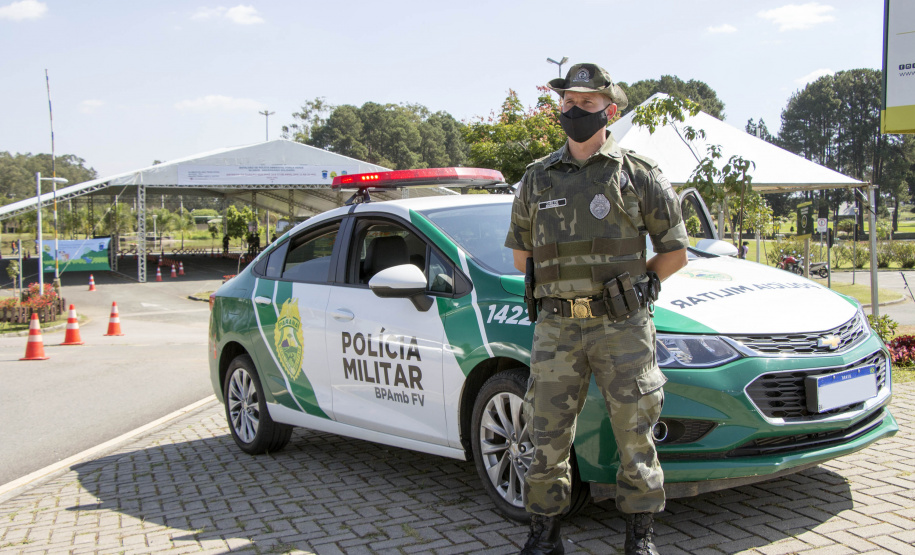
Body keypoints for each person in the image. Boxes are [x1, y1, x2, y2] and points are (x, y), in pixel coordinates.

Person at [505, 63, 689, 555]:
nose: (575, 110)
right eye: (568, 101)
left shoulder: (638, 174)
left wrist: (638, 288)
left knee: (635, 433)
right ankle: (544, 534)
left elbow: (675, 251)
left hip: (621, 326)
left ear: (609, 110)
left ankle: (640, 535)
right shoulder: (536, 178)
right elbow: (522, 257)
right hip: (557, 328)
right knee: (545, 433)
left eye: (586, 103)